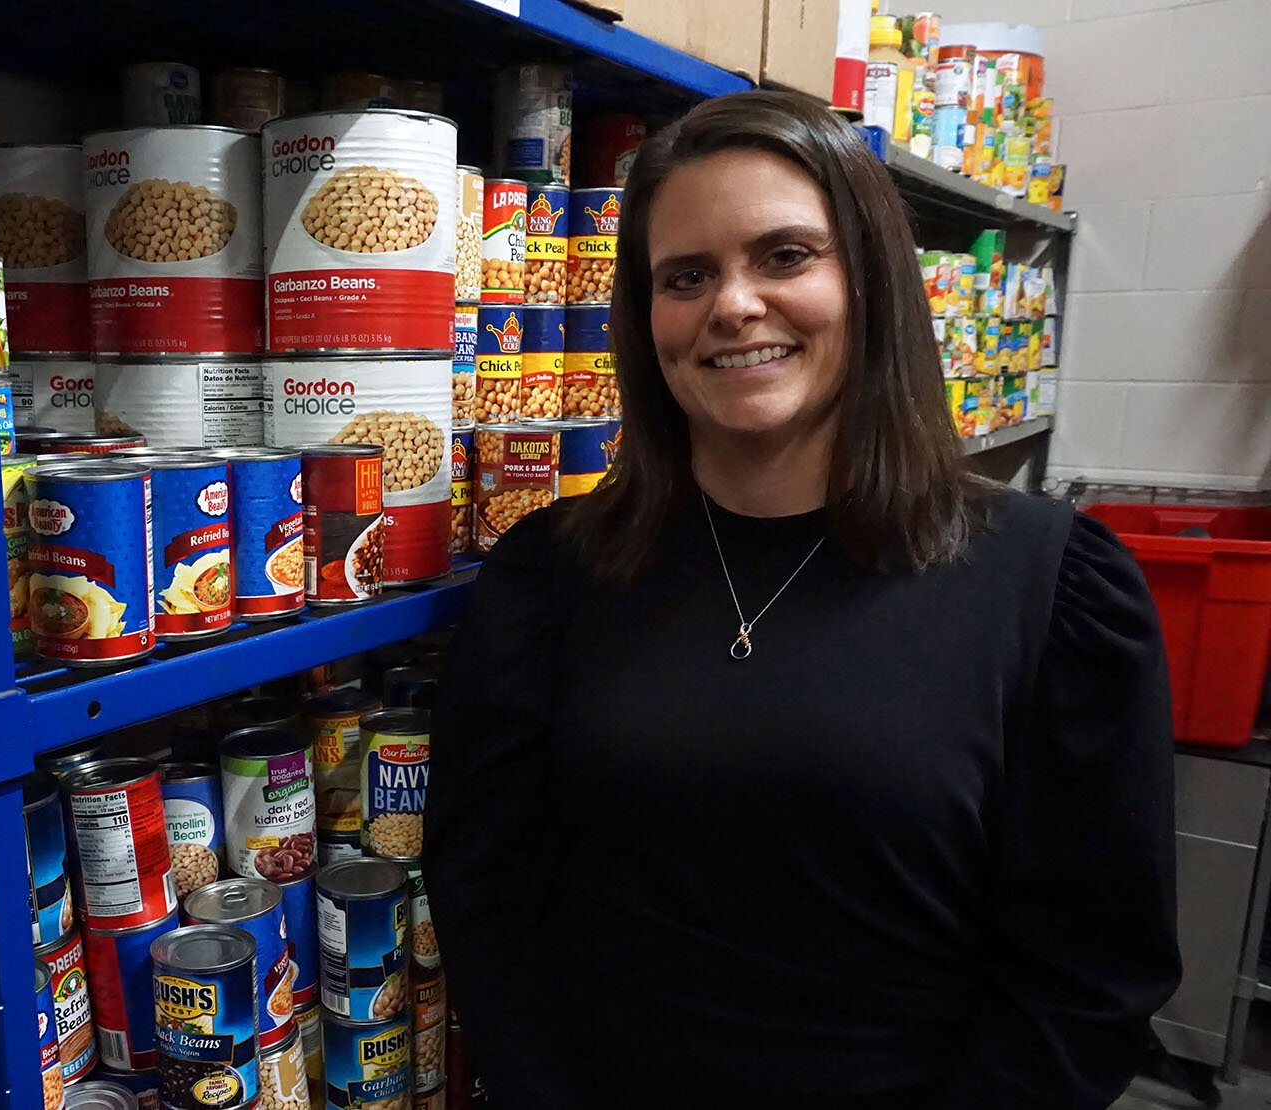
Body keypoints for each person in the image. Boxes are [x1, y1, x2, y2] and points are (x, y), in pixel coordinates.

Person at [423, 90, 1179, 1109]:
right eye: (685, 277)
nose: (731, 305)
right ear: (647, 323)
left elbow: (1086, 981)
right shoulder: (552, 575)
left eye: (784, 257)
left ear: (869, 281)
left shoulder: (1047, 585)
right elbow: (488, 898)